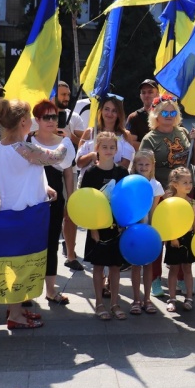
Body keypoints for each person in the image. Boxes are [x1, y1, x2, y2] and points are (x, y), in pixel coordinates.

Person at [0, 98, 69, 329]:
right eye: (30, 118)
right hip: (25, 214)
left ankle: (14, 308)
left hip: (12, 211)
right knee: (22, 265)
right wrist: (65, 140)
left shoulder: (3, 145)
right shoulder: (23, 148)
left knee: (16, 264)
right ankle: (15, 316)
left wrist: (44, 187)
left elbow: (22, 174)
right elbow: (56, 157)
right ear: (23, 122)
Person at [139, 94, 195, 298]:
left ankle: (181, 277)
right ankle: (155, 277)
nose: (168, 115)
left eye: (172, 112)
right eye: (164, 112)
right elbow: (143, 168)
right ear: (155, 115)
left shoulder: (183, 132)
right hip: (162, 195)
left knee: (182, 234)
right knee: (160, 236)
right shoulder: (150, 139)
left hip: (184, 193)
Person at [29, 100, 76, 301]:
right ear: (37, 120)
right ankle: (26, 291)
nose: (51, 121)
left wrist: (70, 199)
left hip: (55, 199)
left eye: (54, 116)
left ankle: (51, 290)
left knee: (52, 243)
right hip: (31, 199)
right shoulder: (27, 140)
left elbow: (68, 173)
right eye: (46, 117)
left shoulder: (65, 143)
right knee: (30, 244)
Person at [81, 132, 129, 320]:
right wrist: (93, 228)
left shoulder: (122, 172)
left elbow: (126, 200)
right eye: (104, 147)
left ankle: (115, 303)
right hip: (97, 226)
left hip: (116, 226)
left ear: (117, 150)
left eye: (112, 147)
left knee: (115, 266)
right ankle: (99, 303)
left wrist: (124, 223)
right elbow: (86, 202)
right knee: (99, 266)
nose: (108, 150)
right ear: (97, 149)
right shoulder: (91, 173)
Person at [129, 151, 164, 314]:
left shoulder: (156, 185)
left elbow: (155, 211)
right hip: (133, 230)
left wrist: (153, 231)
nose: (143, 167)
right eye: (140, 164)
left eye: (147, 164)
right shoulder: (130, 182)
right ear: (135, 165)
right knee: (135, 265)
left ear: (152, 166)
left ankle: (147, 299)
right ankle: (136, 299)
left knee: (149, 265)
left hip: (149, 230)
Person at [162, 167, 195, 313]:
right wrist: (173, 238)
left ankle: (189, 297)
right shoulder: (170, 201)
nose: (189, 185)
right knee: (174, 269)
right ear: (175, 185)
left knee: (187, 268)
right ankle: (172, 298)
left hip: (188, 238)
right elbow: (168, 221)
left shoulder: (192, 202)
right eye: (185, 182)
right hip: (174, 239)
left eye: (190, 182)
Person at [76, 96, 134, 173]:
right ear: (101, 110)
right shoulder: (89, 132)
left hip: (115, 179)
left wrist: (104, 169)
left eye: (114, 111)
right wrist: (91, 156)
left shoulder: (126, 135)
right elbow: (79, 163)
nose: (109, 114)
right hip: (90, 178)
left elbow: (125, 165)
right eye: (106, 109)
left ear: (119, 114)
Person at [125, 79, 160, 145]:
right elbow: (130, 143)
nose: (146, 95)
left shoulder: (166, 115)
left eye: (150, 92)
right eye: (143, 93)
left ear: (157, 94)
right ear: (140, 96)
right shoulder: (134, 118)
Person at [53, 81, 85, 149]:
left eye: (68, 95)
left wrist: (70, 136)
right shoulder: (41, 116)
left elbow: (85, 144)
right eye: (63, 94)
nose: (67, 98)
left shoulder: (75, 117)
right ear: (54, 95)